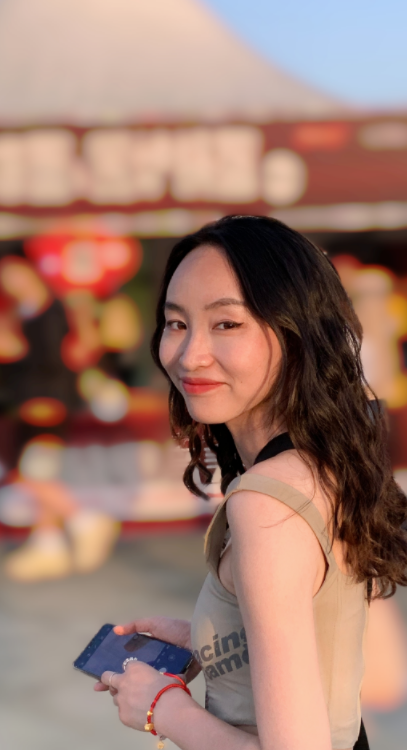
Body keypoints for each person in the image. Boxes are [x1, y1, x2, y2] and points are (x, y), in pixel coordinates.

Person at [94, 216, 407, 750]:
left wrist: (161, 708)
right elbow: (331, 646)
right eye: (176, 323)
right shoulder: (323, 462)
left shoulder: (266, 502)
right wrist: (212, 639)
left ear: (295, 332)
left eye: (226, 324)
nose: (190, 354)